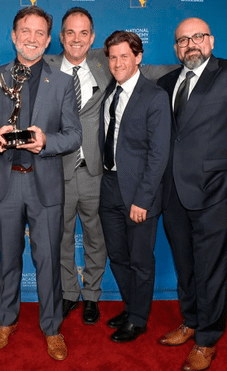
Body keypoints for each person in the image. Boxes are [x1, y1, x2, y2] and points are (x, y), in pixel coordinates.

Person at [0, 6, 81, 362]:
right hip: (5, 185)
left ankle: (51, 328)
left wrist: (46, 141)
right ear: (14, 36)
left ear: (48, 40)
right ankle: (7, 321)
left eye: (39, 33)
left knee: (48, 260)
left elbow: (74, 136)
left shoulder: (63, 82)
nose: (31, 38)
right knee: (7, 259)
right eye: (25, 31)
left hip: (45, 184)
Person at [156, 17, 227, 371]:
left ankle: (207, 339)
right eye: (182, 40)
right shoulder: (166, 82)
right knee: (185, 266)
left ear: (211, 40)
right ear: (176, 48)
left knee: (212, 269)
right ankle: (190, 321)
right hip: (173, 192)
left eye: (197, 37)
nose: (190, 44)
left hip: (216, 192)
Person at [98, 31, 170, 343]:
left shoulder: (154, 96)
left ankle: (139, 318)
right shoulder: (109, 93)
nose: (117, 63)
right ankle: (132, 307)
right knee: (117, 255)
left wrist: (143, 199)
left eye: (124, 56)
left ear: (138, 58)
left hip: (140, 193)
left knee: (141, 260)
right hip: (109, 186)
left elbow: (158, 154)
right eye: (112, 57)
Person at [43, 7, 109, 325]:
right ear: (61, 37)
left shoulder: (107, 63)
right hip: (60, 171)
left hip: (96, 170)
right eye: (71, 32)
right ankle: (70, 293)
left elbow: (147, 72)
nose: (77, 39)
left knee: (97, 236)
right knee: (62, 236)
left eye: (84, 33)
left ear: (92, 37)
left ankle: (92, 296)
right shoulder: (45, 68)